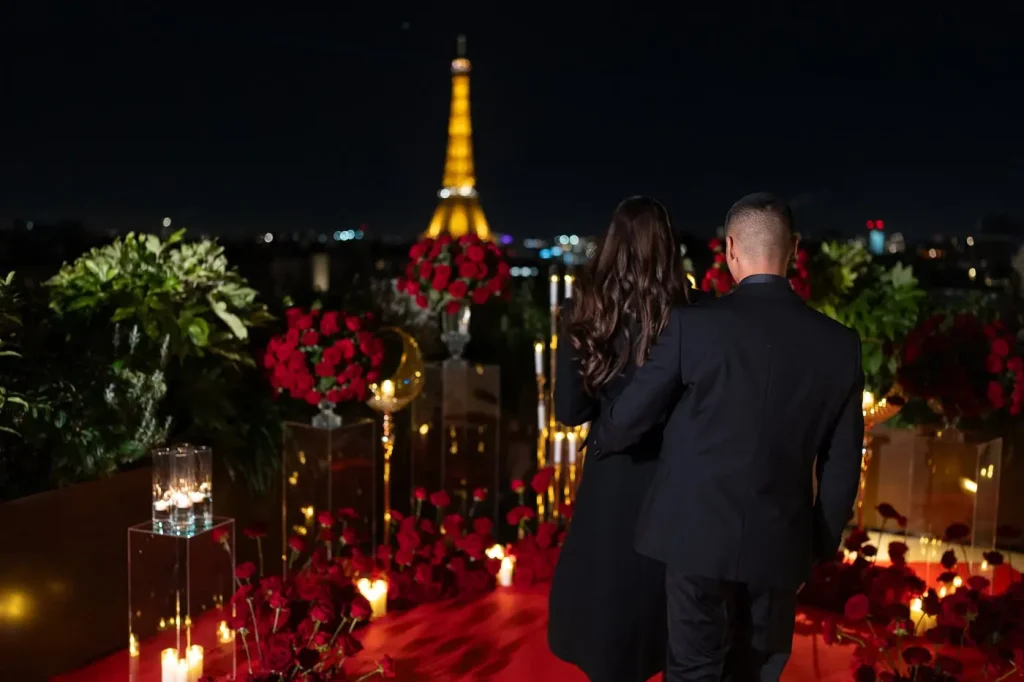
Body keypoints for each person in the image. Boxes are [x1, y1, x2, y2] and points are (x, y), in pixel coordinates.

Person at [589, 193, 864, 681]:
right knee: (758, 671)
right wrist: (816, 545)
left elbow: (629, 417)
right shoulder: (839, 346)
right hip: (780, 541)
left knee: (694, 669)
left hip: (695, 535)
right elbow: (842, 464)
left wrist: (604, 434)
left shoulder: (695, 326)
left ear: (730, 248)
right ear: (793, 248)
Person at [548, 196, 697, 682]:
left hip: (610, 482)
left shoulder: (585, 307)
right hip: (674, 482)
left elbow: (569, 412)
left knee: (608, 616)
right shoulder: (691, 313)